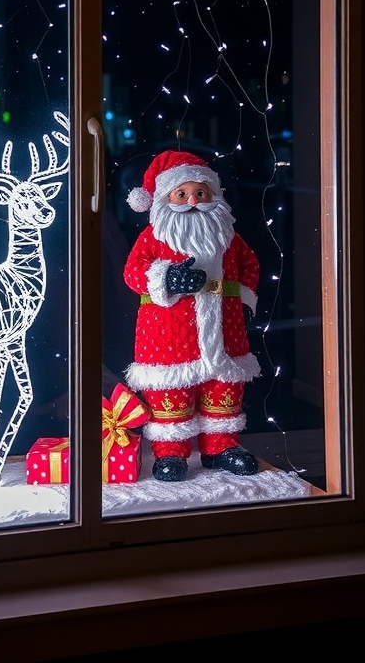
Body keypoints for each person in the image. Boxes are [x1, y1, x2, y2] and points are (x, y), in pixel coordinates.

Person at [123, 150, 261, 482]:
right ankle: (171, 453)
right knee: (172, 393)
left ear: (214, 194)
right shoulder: (153, 238)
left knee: (223, 390)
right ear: (163, 199)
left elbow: (250, 266)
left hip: (226, 331)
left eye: (201, 193)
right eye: (181, 194)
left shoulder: (230, 238)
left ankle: (222, 446)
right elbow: (133, 272)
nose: (194, 201)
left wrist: (241, 299)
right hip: (167, 334)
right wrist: (167, 278)